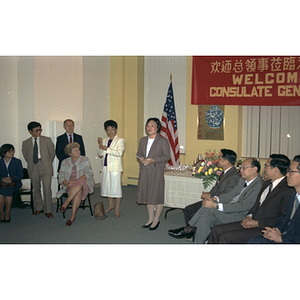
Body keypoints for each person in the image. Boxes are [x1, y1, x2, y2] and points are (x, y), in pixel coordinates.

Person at [168, 158, 263, 243]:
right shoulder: (243, 180)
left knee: (208, 208)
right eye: (240, 167)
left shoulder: (258, 185)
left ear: (254, 169)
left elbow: (242, 206)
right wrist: (215, 199)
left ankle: (188, 228)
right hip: (228, 208)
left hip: (240, 215)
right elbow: (230, 195)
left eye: (244, 167)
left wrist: (216, 205)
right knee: (204, 218)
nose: (240, 170)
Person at [208, 154, 294, 243]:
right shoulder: (266, 184)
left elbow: (282, 218)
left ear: (275, 169)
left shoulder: (287, 190)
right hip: (251, 221)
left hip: (265, 228)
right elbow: (256, 205)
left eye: (266, 166)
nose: (264, 169)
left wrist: (257, 223)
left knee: (226, 237)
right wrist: (249, 216)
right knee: (216, 230)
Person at [248, 155, 300, 244]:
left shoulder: (287, 192)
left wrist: (282, 239)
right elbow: (283, 220)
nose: (287, 174)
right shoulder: (293, 196)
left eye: (290, 171)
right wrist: (273, 231)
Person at [184, 149, 240, 225]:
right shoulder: (225, 172)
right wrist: (209, 193)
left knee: (192, 212)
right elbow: (217, 187)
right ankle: (191, 231)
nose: (217, 160)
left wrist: (210, 196)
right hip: (213, 198)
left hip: (219, 203)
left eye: (219, 158)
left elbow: (227, 194)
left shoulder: (234, 176)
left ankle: (192, 230)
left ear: (226, 161)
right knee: (188, 209)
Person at [136, 117, 170, 230]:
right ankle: (150, 218)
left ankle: (156, 219)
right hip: (144, 170)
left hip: (156, 170)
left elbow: (167, 156)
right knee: (147, 195)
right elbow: (139, 153)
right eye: (148, 125)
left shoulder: (163, 141)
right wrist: (141, 158)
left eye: (152, 125)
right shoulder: (142, 140)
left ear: (157, 127)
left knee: (157, 195)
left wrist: (152, 160)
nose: (149, 128)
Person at [22, 121, 55, 218]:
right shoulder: (26, 143)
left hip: (45, 166)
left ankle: (48, 210)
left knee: (47, 188)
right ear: (30, 131)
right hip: (33, 167)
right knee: (36, 188)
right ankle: (38, 208)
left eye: (40, 129)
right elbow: (26, 156)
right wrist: (34, 162)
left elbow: (52, 154)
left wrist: (47, 162)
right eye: (37, 130)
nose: (39, 132)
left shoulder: (47, 140)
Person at [57, 142, 95, 226]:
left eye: (78, 149)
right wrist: (65, 183)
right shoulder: (64, 162)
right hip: (70, 186)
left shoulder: (85, 159)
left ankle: (66, 202)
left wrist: (75, 181)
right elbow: (61, 175)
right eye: (75, 150)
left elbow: (88, 174)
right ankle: (72, 216)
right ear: (70, 153)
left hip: (85, 183)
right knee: (79, 190)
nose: (78, 151)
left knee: (80, 183)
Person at [97, 120, 125, 218]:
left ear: (116, 129)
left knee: (116, 188)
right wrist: (100, 145)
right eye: (108, 130)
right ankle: (111, 205)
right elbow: (100, 154)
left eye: (112, 129)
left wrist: (107, 149)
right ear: (105, 131)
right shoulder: (104, 140)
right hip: (105, 167)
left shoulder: (120, 140)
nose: (110, 131)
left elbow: (119, 153)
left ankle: (117, 207)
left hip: (115, 168)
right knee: (107, 187)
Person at [0, 144, 23, 223]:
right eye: (9, 151)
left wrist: (12, 179)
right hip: (2, 184)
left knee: (9, 191)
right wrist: (2, 179)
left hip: (14, 183)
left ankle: (7, 213)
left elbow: (21, 175)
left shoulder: (17, 161)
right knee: (1, 193)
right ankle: (2, 213)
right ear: (3, 152)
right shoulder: (0, 162)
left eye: (13, 150)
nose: (12, 152)